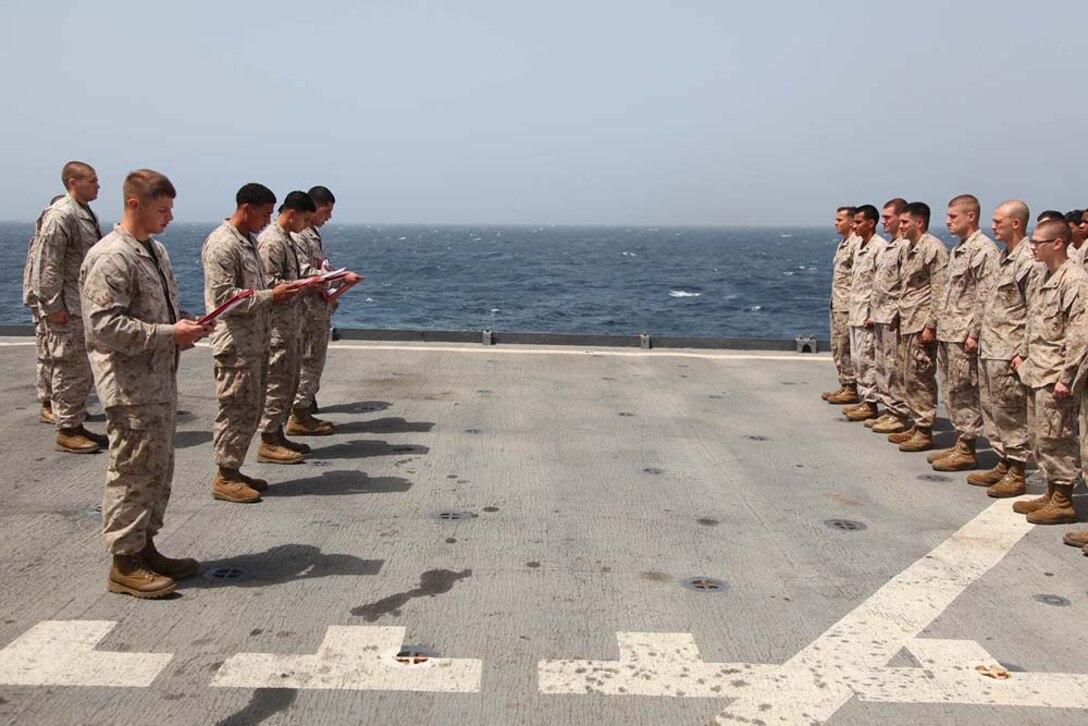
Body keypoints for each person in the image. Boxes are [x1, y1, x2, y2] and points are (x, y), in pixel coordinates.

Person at [80, 169, 213, 598]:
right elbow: (104, 326)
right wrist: (168, 335)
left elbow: (159, 314)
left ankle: (145, 546)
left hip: (157, 381)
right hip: (130, 388)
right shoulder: (111, 257)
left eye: (171, 208)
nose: (170, 217)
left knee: (156, 471)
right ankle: (124, 562)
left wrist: (185, 329)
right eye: (163, 209)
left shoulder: (152, 252)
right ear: (134, 204)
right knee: (132, 472)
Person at [202, 184, 300, 503]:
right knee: (234, 409)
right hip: (235, 344)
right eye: (263, 214)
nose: (266, 220)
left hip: (255, 341)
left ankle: (234, 468)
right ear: (246, 208)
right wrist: (273, 296)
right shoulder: (222, 244)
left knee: (249, 409)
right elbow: (223, 298)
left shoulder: (248, 242)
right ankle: (224, 476)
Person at [1010, 219, 1088, 525]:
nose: (1032, 248)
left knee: (1058, 436)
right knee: (1040, 435)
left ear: (1057, 243)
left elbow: (1079, 336)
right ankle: (1051, 489)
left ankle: (1064, 498)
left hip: (1056, 373)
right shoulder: (1045, 275)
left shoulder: (1075, 281)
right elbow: (1035, 322)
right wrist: (1024, 357)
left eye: (1038, 243)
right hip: (1037, 369)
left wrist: (1066, 377)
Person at [33, 161, 107, 453]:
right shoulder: (61, 215)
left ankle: (75, 424)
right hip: (68, 308)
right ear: (73, 182)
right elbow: (48, 265)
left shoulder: (85, 213)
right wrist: (53, 307)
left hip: (83, 304)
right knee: (67, 367)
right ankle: (66, 430)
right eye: (92, 180)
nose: (98, 185)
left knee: (81, 370)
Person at [972, 200, 1040, 497]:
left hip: (1009, 350)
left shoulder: (1029, 260)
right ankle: (1004, 460)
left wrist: (1023, 352)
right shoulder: (1003, 257)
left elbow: (1036, 310)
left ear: (1016, 223)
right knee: (994, 410)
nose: (993, 225)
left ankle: (1018, 469)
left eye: (999, 221)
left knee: (1012, 413)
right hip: (991, 347)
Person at [929, 194, 1000, 471]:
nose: (947, 221)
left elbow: (985, 297)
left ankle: (968, 447)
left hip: (963, 335)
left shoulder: (983, 250)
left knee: (965, 391)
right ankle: (961, 442)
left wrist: (974, 333)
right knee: (952, 390)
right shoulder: (960, 249)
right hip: (950, 331)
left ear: (971, 216)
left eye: (953, 216)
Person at [288, 185, 362, 434]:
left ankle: (305, 405)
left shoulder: (311, 234)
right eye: (326, 211)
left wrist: (333, 276)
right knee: (309, 360)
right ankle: (299, 413)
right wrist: (338, 277)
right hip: (308, 310)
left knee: (312, 360)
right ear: (315, 207)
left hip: (317, 308)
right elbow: (305, 272)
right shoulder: (300, 235)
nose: (328, 217)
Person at [255, 191, 316, 464]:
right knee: (276, 383)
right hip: (277, 326)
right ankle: (268, 439)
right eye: (304, 219)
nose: (305, 225)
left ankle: (277, 433)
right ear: (292, 213)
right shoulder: (272, 242)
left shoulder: (286, 240)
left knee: (288, 381)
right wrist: (300, 285)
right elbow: (267, 285)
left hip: (291, 323)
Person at [887, 202, 949, 452]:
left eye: (904, 222)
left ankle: (924, 430)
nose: (900, 227)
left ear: (919, 223)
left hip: (921, 323)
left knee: (920, 376)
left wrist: (931, 326)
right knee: (907, 374)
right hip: (907, 320)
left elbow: (940, 289)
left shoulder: (933, 249)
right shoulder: (909, 248)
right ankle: (916, 423)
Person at [865, 198, 912, 434]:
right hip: (882, 315)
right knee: (883, 365)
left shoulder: (905, 247)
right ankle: (891, 410)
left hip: (894, 318)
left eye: (888, 217)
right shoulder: (892, 246)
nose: (885, 222)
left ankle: (899, 413)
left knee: (894, 368)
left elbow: (906, 285)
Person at [841, 205, 887, 421]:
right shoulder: (859, 246)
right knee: (858, 359)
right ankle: (864, 399)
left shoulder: (879, 248)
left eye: (859, 222)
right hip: (855, 312)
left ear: (871, 223)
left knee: (868, 360)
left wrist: (873, 313)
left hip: (867, 316)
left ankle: (871, 403)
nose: (855, 226)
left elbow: (881, 285)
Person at [23, 195, 64, 424]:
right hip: (45, 307)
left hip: (55, 304)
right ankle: (48, 402)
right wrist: (42, 306)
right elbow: (37, 275)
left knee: (59, 358)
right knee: (47, 354)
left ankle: (60, 402)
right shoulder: (42, 242)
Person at [822, 207, 861, 404]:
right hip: (837, 303)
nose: (836, 223)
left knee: (846, 347)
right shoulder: (843, 243)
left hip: (848, 305)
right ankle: (845, 384)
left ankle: (852, 387)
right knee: (838, 346)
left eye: (840, 219)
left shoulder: (857, 244)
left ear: (852, 221)